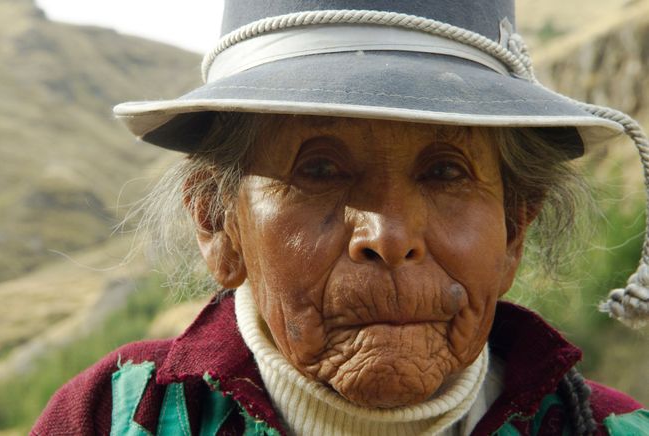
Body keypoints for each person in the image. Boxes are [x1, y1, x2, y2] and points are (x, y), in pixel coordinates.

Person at [32, 1, 649, 435]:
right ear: (219, 223)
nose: (391, 236)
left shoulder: (609, 430)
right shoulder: (110, 419)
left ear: (515, 228)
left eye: (445, 172)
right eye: (319, 170)